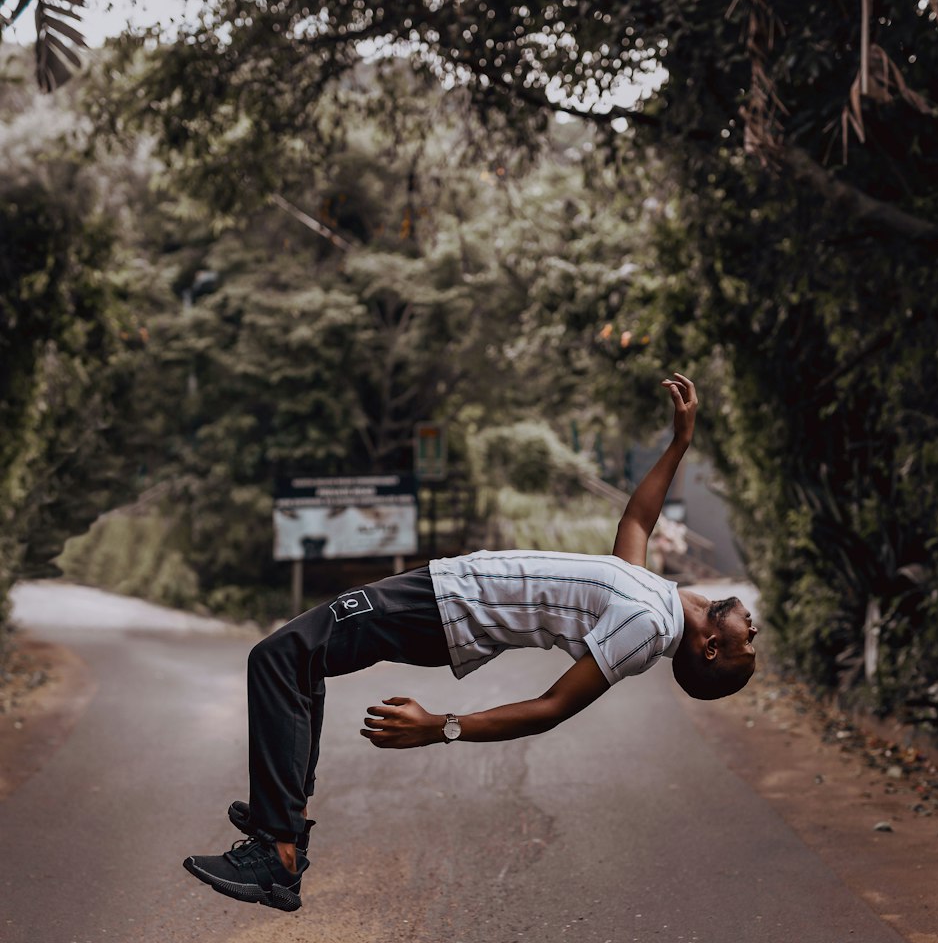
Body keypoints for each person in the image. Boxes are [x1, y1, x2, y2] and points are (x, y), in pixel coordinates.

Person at [183, 373, 758, 912]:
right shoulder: (652, 598)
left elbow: (551, 709)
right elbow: (637, 521)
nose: (753, 631)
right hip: (444, 592)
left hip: (446, 608)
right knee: (303, 660)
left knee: (279, 655)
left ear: (710, 649)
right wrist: (679, 442)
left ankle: (277, 852)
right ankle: (283, 822)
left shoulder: (646, 629)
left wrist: (440, 726)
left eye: (746, 645)